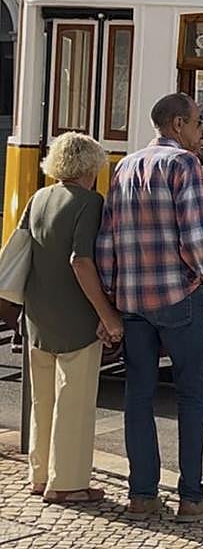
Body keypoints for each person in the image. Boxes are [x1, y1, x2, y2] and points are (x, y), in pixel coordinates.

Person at [96, 93, 203, 521]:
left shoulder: (123, 166)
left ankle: (142, 495)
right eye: (199, 123)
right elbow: (194, 233)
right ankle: (191, 497)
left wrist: (113, 295)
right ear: (177, 124)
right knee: (191, 397)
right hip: (179, 298)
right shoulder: (184, 164)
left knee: (138, 397)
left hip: (132, 302)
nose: (202, 132)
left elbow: (107, 239)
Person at [21, 133, 123, 504]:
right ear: (90, 167)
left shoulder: (38, 198)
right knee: (73, 403)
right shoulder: (90, 203)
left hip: (37, 316)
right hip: (77, 319)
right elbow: (81, 261)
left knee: (42, 400)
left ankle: (39, 474)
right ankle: (67, 483)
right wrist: (107, 315)